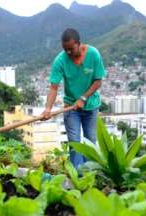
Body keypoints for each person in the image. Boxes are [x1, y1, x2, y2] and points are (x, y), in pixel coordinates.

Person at [41, 28, 106, 169]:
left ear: (79, 44)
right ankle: (77, 177)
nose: (68, 53)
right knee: (75, 143)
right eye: (65, 50)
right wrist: (47, 109)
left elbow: (98, 81)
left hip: (91, 106)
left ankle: (90, 175)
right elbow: (53, 87)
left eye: (71, 49)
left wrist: (83, 98)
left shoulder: (93, 54)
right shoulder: (60, 60)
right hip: (71, 108)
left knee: (90, 143)